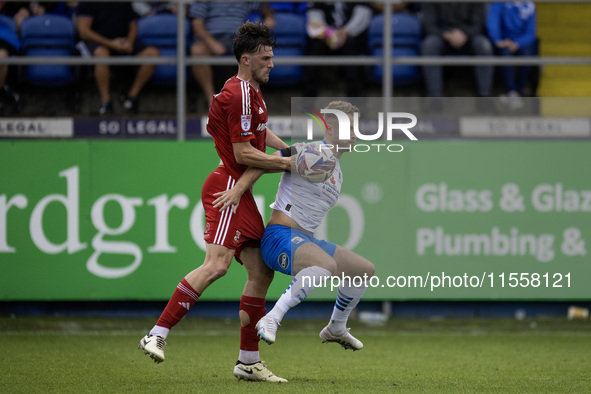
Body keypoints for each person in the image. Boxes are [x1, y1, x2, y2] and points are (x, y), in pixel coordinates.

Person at [138, 21, 291, 383]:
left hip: (240, 186)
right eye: (265, 58)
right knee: (217, 264)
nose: (272, 63)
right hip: (227, 186)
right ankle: (157, 333)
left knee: (260, 271)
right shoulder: (238, 94)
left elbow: (256, 140)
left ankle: (248, 362)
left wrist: (288, 151)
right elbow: (244, 153)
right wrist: (288, 162)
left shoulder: (251, 92)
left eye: (272, 57)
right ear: (246, 59)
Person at [216, 100, 375, 351]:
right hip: (279, 237)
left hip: (306, 240)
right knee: (325, 265)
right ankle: (272, 318)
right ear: (331, 130)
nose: (355, 134)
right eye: (350, 128)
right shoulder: (308, 152)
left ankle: (336, 328)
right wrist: (238, 189)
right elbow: (264, 162)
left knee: (363, 269)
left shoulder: (337, 170)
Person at [76, 2, 160, 115]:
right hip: (97, 42)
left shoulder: (124, 2)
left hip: (121, 42)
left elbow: (133, 25)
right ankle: (106, 102)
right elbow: (84, 32)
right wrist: (111, 44)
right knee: (102, 54)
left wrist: (129, 42)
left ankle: (131, 97)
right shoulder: (87, 3)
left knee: (152, 54)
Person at [188, 2, 274, 108]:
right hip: (210, 39)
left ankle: (250, 101)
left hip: (239, 38)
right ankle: (212, 101)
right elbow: (197, 24)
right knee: (197, 51)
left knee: (258, 52)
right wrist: (212, 43)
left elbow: (262, 5)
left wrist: (269, 16)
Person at [421, 2, 494, 98]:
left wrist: (465, 34)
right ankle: (435, 97)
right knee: (429, 45)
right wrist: (447, 35)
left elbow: (478, 25)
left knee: (484, 45)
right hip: (442, 37)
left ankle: (485, 97)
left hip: (469, 37)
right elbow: (429, 26)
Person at [303, 2, 372, 97]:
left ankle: (356, 102)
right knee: (315, 48)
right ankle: (307, 103)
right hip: (325, 36)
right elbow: (314, 13)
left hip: (351, 36)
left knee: (353, 50)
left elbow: (363, 14)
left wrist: (346, 31)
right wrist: (327, 33)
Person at [487, 1, 537, 109]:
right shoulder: (498, 3)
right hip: (503, 41)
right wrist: (498, 40)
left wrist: (517, 43)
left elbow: (531, 33)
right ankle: (512, 92)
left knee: (528, 57)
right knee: (505, 56)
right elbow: (493, 22)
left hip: (521, 42)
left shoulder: (529, 6)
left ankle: (515, 93)